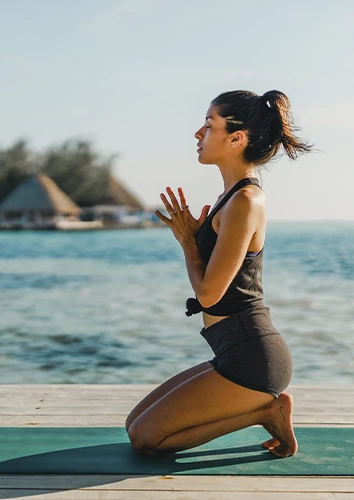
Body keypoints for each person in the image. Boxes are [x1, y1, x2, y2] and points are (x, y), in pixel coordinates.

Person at [125, 90, 313, 458]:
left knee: (146, 439)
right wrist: (196, 238)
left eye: (209, 125)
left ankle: (265, 411)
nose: (198, 133)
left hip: (254, 358)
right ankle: (263, 408)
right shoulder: (231, 196)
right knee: (134, 423)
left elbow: (209, 294)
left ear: (236, 138)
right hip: (231, 349)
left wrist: (188, 244)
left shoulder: (245, 200)